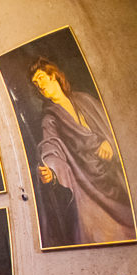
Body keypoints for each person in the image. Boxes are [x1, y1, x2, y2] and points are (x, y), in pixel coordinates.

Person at [28, 58, 135, 247]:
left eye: (42, 78)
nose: (40, 86)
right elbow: (50, 145)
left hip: (113, 173)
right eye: (36, 84)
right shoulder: (50, 117)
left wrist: (109, 143)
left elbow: (113, 123)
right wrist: (51, 171)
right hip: (87, 182)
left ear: (54, 76)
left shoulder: (84, 100)